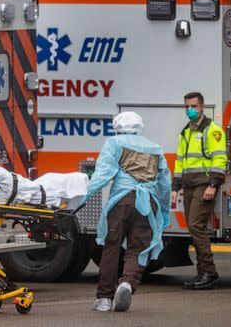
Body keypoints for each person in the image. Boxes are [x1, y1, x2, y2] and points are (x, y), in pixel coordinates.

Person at [81, 111, 171, 312]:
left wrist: (86, 196)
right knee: (138, 248)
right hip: (148, 202)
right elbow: (165, 183)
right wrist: (164, 210)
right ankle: (127, 284)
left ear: (118, 126)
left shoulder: (114, 143)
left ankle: (104, 298)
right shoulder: (155, 148)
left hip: (121, 200)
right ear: (139, 127)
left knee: (112, 246)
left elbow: (103, 173)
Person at [172, 92, 227, 290]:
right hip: (188, 186)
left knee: (196, 225)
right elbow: (180, 162)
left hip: (204, 185)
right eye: (187, 106)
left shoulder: (212, 131)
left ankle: (208, 272)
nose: (190, 110)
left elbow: (220, 159)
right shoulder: (186, 131)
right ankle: (203, 272)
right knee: (193, 227)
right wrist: (175, 187)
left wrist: (213, 184)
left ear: (202, 107)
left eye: (194, 106)